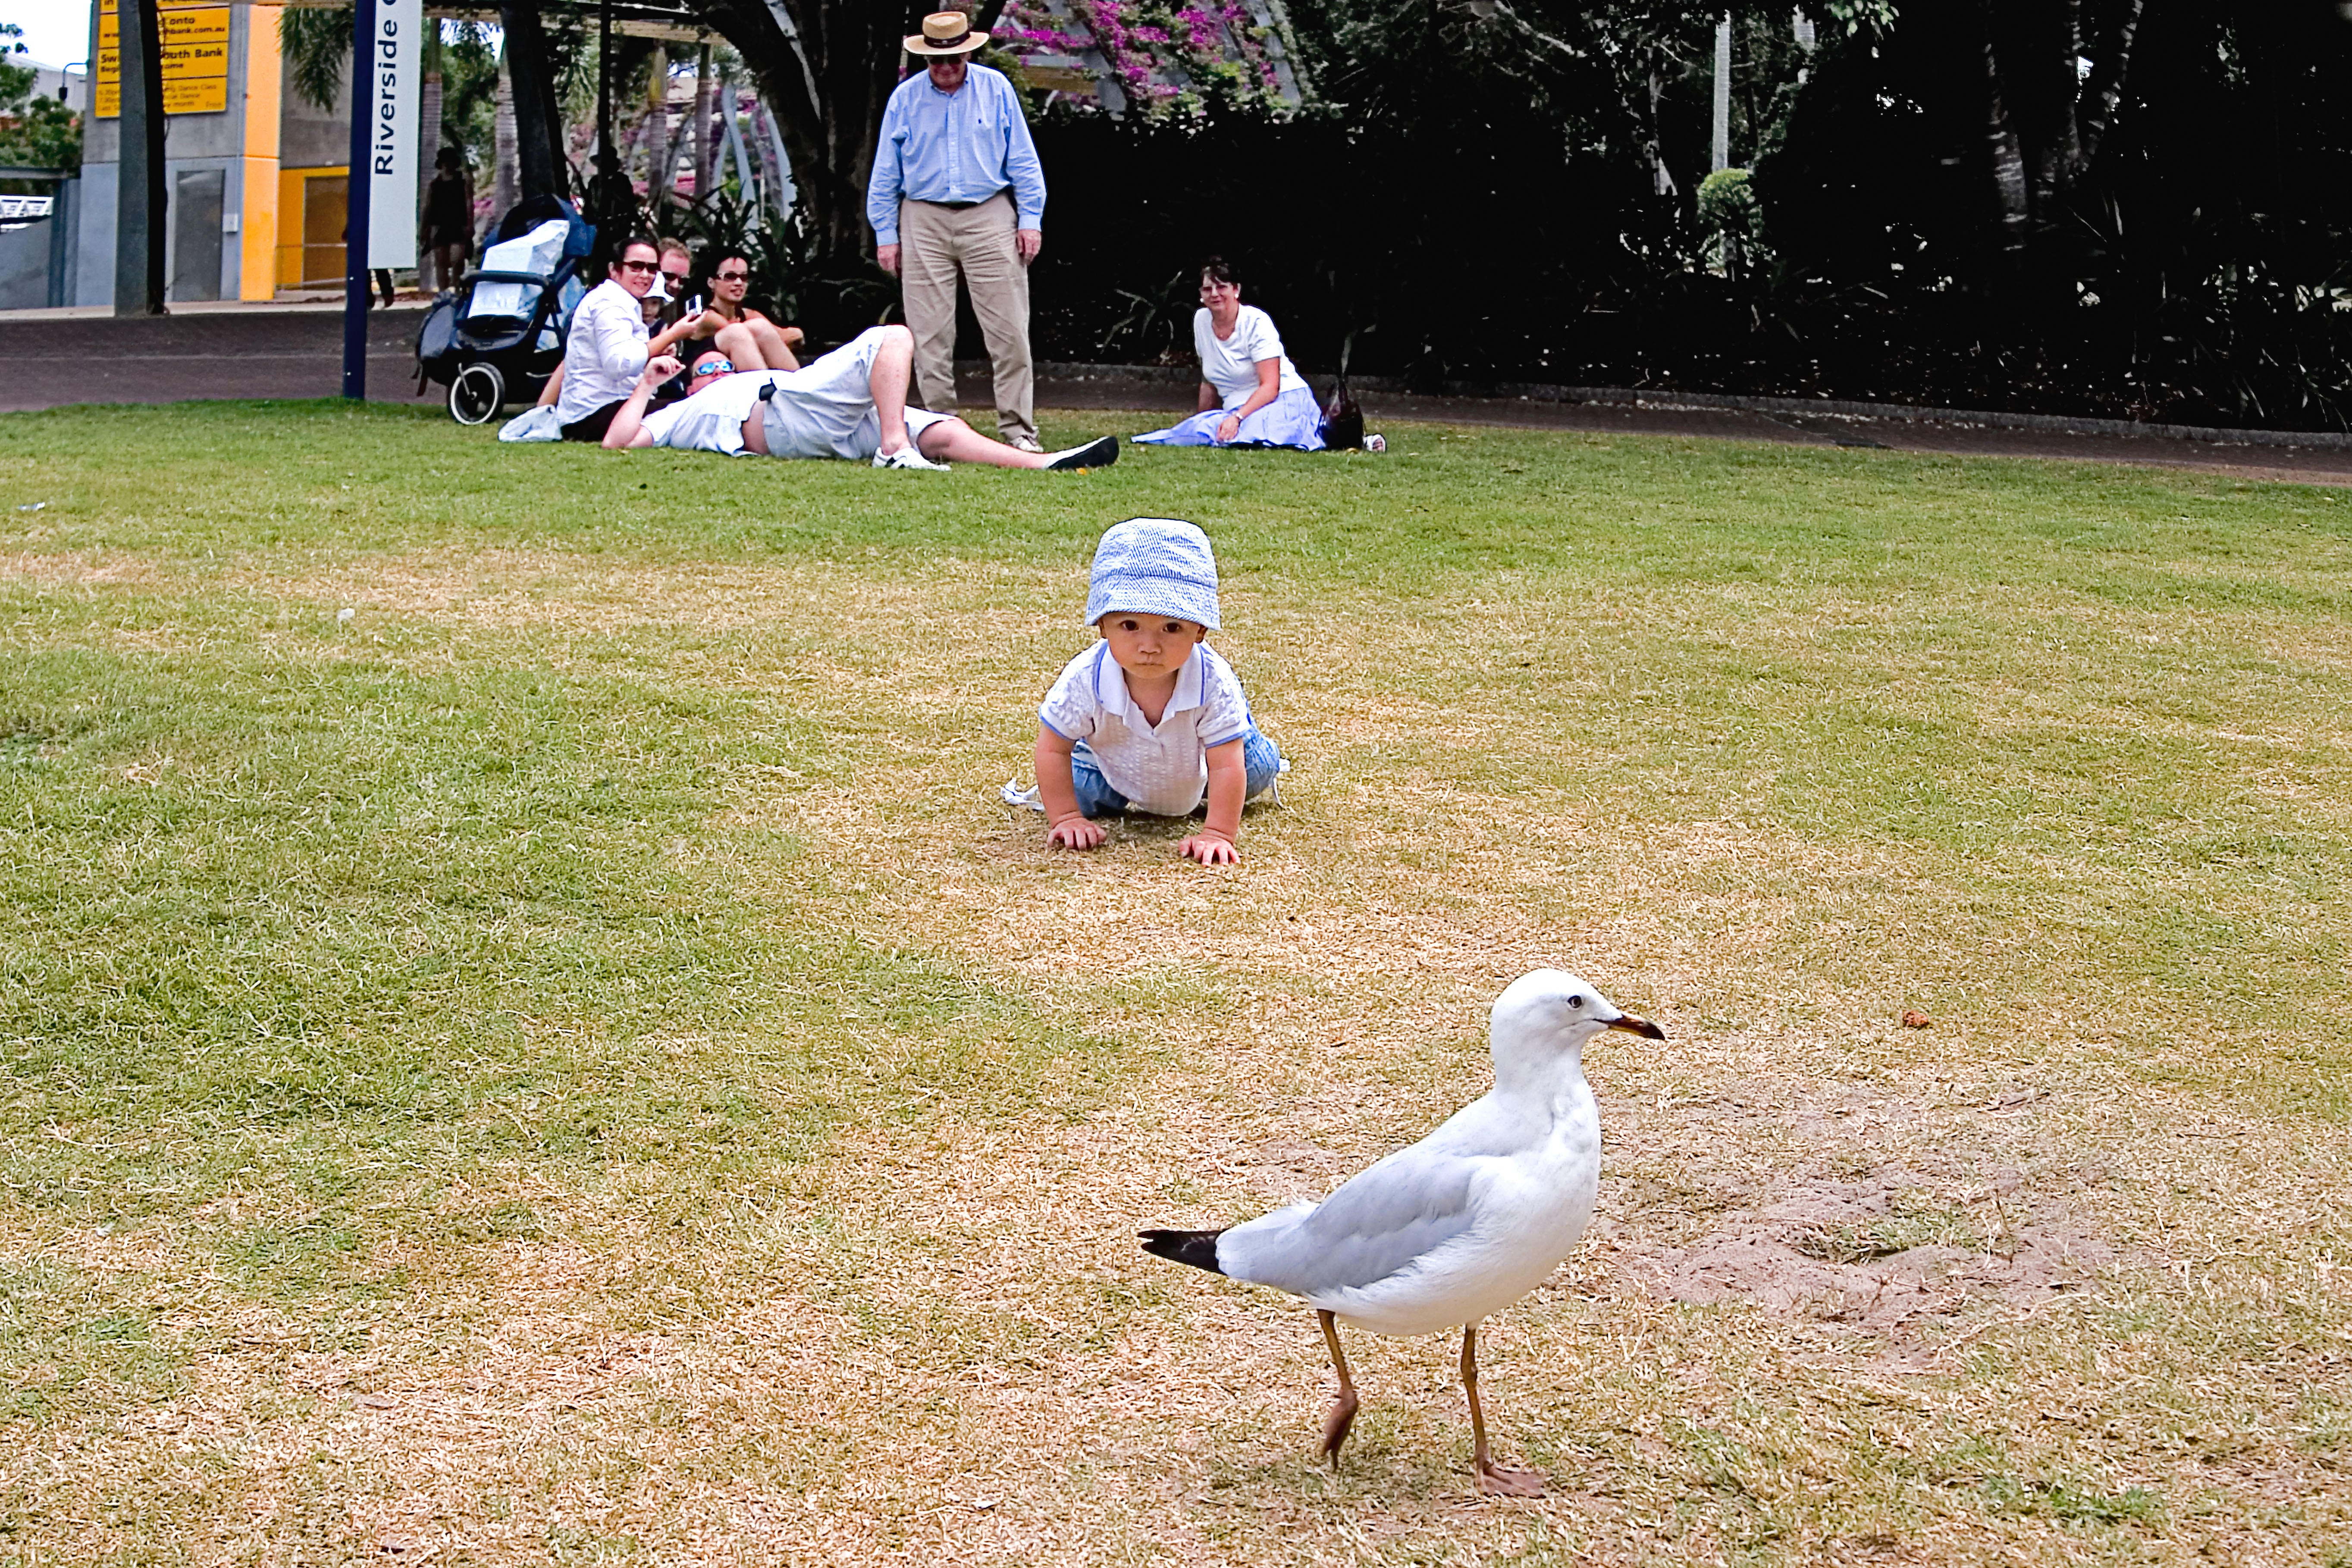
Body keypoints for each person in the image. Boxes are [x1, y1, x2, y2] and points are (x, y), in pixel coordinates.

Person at [1029, 518, 1282, 866]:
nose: (1149, 646)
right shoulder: (1085, 677)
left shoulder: (1214, 680)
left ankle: (1244, 733)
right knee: (1080, 790)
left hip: (1204, 756)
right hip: (1117, 759)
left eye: (1172, 627)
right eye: (1130, 626)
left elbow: (1226, 767)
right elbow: (1052, 748)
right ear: (1102, 625)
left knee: (1252, 772)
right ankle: (1115, 779)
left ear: (1200, 631)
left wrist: (1218, 834)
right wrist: (1066, 816)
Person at [867, 10, 1047, 452]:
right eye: (936, 61)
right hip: (922, 216)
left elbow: (1023, 159)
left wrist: (1030, 219)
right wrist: (886, 233)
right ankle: (939, 429)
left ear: (968, 53)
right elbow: (885, 172)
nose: (946, 69)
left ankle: (1019, 431)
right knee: (929, 334)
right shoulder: (904, 99)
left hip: (989, 212)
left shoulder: (996, 89)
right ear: (925, 59)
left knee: (1009, 331)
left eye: (954, 60)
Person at [599, 324, 1120, 474]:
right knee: (891, 338)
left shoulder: (739, 373)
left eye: (722, 367)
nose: (718, 371)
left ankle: (1042, 463)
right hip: (784, 415)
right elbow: (616, 445)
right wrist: (647, 384)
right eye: (706, 369)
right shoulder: (679, 411)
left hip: (803, 406)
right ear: (691, 384)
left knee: (940, 431)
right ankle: (894, 447)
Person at [1133, 257, 1326, 450]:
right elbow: (1209, 381)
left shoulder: (1257, 322)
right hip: (1235, 409)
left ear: (1236, 290)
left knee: (1255, 433)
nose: (1215, 294)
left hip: (1281, 400)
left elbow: (1270, 387)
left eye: (1222, 287)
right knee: (1201, 431)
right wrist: (1201, 419)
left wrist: (1237, 418)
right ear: (1201, 294)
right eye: (1208, 289)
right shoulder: (1201, 320)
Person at [554, 236, 712, 442]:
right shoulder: (609, 305)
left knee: (693, 408)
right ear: (614, 270)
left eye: (652, 269)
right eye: (636, 267)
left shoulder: (623, 301)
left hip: (607, 409)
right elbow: (619, 365)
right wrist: (673, 334)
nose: (645, 275)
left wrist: (658, 351)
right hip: (594, 415)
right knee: (695, 409)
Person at [695, 248, 804, 373]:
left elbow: (794, 335)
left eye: (744, 277)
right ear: (711, 282)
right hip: (706, 375)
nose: (738, 283)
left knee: (759, 327)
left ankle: (796, 390)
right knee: (739, 333)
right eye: (730, 277)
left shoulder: (749, 315)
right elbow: (737, 332)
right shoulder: (706, 316)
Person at [418, 147, 474, 294]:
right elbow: (428, 208)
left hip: (458, 225)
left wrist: (469, 224)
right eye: (444, 162)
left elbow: (469, 203)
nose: (447, 165)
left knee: (458, 261)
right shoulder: (435, 184)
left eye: (449, 161)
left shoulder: (463, 181)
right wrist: (424, 229)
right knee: (441, 263)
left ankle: (458, 292)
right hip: (439, 226)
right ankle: (443, 294)